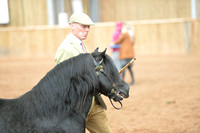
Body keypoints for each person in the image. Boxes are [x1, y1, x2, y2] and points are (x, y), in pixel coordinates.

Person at [55, 12, 112, 133]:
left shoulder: (81, 44)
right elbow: (62, 81)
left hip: (93, 104)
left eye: (88, 27)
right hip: (77, 107)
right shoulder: (66, 49)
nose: (87, 30)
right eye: (83, 26)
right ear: (72, 26)